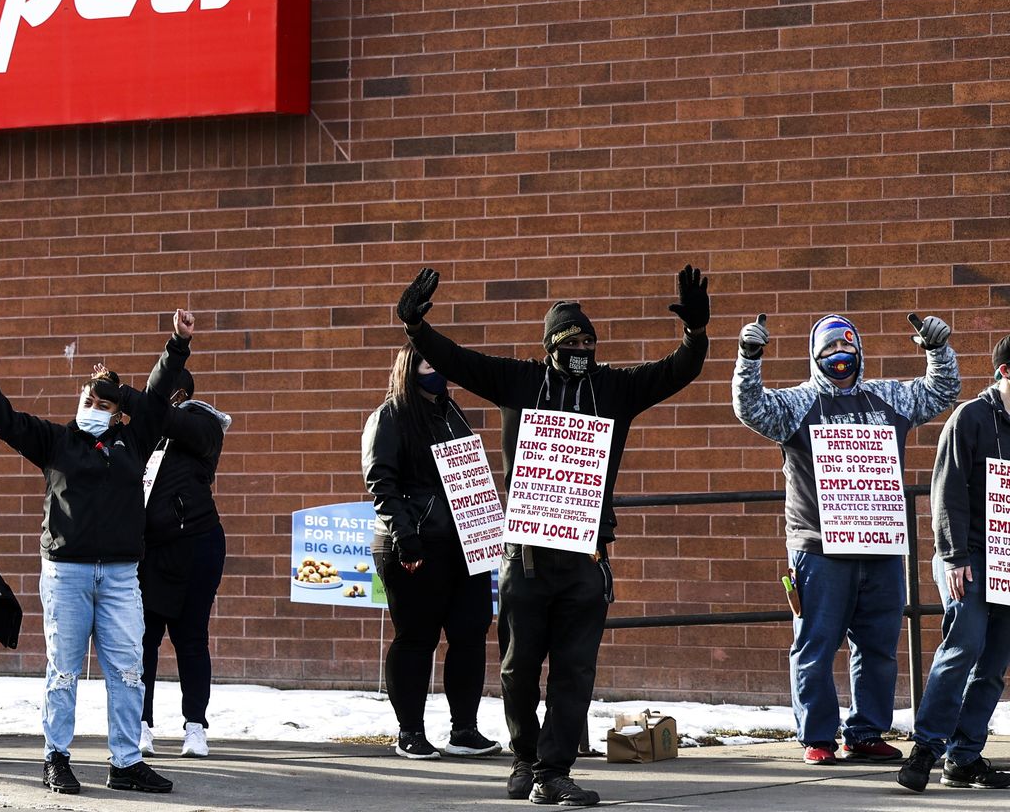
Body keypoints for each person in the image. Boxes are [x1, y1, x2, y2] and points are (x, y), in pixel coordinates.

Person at [398, 266, 709, 808]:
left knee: (573, 670)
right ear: (550, 348)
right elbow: (459, 362)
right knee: (519, 668)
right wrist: (416, 327)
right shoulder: (517, 381)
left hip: (584, 555)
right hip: (527, 556)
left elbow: (673, 372)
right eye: (570, 341)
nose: (582, 348)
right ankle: (524, 758)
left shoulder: (613, 388)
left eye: (588, 339)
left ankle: (554, 769)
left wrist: (696, 334)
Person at [0, 308, 194, 797]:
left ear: (115, 411)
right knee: (63, 670)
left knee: (129, 670)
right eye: (88, 397)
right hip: (67, 574)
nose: (92, 406)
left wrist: (176, 344)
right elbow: (4, 420)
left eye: (102, 402)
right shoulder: (57, 441)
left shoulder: (134, 439)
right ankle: (56, 758)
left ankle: (126, 762)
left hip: (123, 577)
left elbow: (152, 399)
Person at [731, 311, 958, 767]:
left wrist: (938, 350)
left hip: (879, 543)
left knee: (878, 646)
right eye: (829, 349)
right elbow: (750, 407)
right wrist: (748, 357)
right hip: (818, 549)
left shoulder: (886, 397)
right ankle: (817, 736)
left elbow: (941, 390)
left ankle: (866, 731)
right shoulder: (798, 403)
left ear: (859, 350)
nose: (839, 355)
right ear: (815, 356)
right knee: (816, 643)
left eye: (846, 346)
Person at [363, 343, 499, 761]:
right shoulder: (390, 416)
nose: (439, 371)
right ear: (409, 368)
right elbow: (381, 483)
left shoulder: (451, 412)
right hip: (414, 544)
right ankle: (410, 732)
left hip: (463, 543)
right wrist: (407, 537)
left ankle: (464, 730)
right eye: (429, 364)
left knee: (470, 634)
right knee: (417, 638)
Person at [898, 333, 1010, 791]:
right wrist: (954, 556)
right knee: (962, 648)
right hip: (969, 557)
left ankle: (964, 757)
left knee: (994, 663)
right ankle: (925, 750)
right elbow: (946, 489)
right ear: (1005, 371)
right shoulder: (971, 418)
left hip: (1007, 561)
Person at [136, 367, 229, 759]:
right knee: (143, 642)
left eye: (164, 392)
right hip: (150, 551)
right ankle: (139, 725)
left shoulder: (203, 424)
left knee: (191, 640)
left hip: (197, 546)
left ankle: (195, 727)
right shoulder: (145, 432)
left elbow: (171, 419)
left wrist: (135, 399)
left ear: (182, 394)